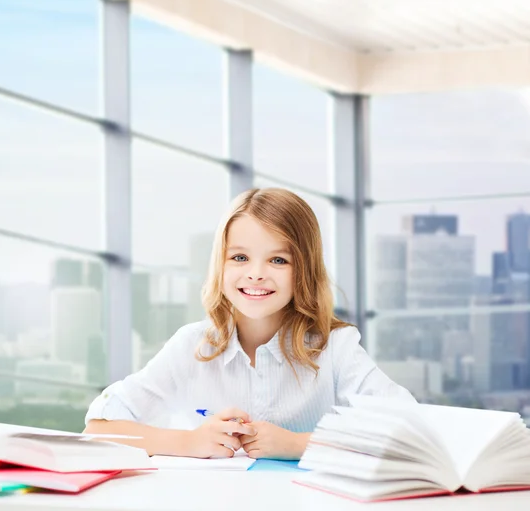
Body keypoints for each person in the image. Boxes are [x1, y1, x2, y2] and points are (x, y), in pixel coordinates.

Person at [84, 188, 415, 460]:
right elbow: (99, 428)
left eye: (278, 260)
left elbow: (409, 427)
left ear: (304, 270)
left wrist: (298, 445)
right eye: (240, 257)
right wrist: (190, 443)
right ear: (221, 264)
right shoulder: (193, 345)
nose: (256, 273)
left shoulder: (335, 347)